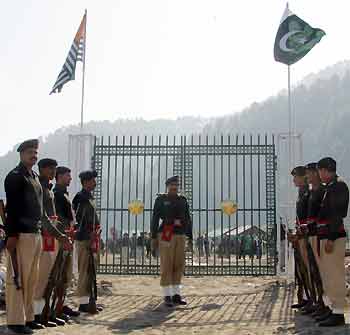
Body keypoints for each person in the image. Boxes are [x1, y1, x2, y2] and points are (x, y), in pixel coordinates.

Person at [4, 139, 44, 334]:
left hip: (35, 234)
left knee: (31, 280)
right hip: (20, 234)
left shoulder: (34, 176)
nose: (33, 155)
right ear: (21, 154)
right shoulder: (15, 177)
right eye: (30, 152)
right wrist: (11, 235)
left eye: (35, 152)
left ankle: (27, 318)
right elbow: (11, 209)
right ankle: (15, 321)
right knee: (17, 278)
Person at [33, 159, 69, 327]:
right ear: (41, 169)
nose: (53, 171)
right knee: (42, 278)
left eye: (54, 168)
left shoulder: (48, 188)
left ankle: (46, 313)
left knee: (52, 277)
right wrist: (59, 233)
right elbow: (43, 216)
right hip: (44, 235)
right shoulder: (40, 187)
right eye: (50, 168)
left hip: (52, 236)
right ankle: (37, 314)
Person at [315, 157, 349, 327]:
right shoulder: (330, 187)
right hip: (326, 236)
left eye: (320, 171)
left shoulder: (339, 186)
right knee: (328, 275)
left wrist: (331, 237)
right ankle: (331, 308)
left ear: (326, 170)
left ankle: (338, 312)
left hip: (333, 237)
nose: (319, 174)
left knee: (335, 275)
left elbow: (337, 214)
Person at [151, 176, 193, 307]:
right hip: (166, 233)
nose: (175, 187)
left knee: (179, 265)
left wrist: (190, 236)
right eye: (172, 185)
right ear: (167, 186)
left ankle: (176, 294)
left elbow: (187, 218)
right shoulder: (161, 200)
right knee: (167, 264)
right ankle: (167, 294)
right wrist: (153, 237)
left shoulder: (183, 200)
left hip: (180, 234)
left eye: (176, 185)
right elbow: (155, 218)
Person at [72, 170, 102, 314]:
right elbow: (77, 220)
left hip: (91, 238)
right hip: (84, 239)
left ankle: (91, 300)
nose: (95, 183)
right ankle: (84, 303)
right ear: (85, 182)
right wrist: (87, 234)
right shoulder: (80, 197)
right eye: (92, 180)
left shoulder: (89, 197)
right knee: (85, 270)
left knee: (92, 271)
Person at [53, 166, 80, 320]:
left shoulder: (64, 194)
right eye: (68, 176)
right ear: (60, 176)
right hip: (62, 238)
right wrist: (65, 233)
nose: (70, 178)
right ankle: (56, 307)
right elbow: (58, 219)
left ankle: (61, 305)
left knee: (66, 275)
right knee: (60, 274)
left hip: (68, 236)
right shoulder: (57, 194)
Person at [300, 163, 326, 316]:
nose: (307, 176)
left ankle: (323, 304)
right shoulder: (310, 192)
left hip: (317, 234)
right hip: (309, 234)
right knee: (312, 271)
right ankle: (316, 302)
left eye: (309, 173)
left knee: (319, 271)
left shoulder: (321, 191)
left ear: (316, 174)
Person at [289, 166, 312, 309]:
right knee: (301, 270)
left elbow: (308, 216)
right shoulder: (301, 192)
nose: (293, 180)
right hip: (300, 235)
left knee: (308, 269)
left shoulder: (308, 192)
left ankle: (312, 300)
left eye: (295, 176)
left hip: (305, 235)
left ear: (304, 176)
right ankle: (305, 298)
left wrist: (299, 233)